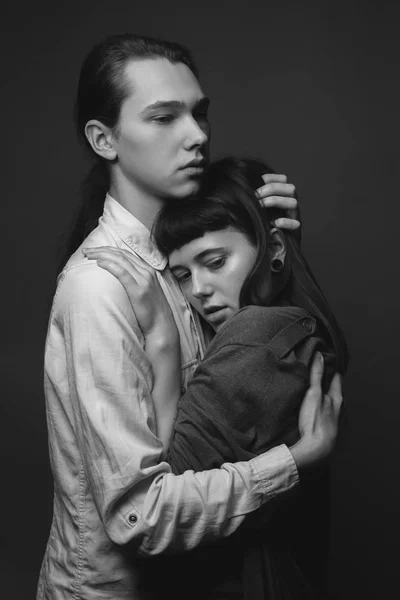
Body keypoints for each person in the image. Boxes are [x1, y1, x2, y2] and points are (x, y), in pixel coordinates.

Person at [38, 33, 343, 600]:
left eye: (199, 113)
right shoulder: (100, 287)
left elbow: (257, 382)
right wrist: (294, 463)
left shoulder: (185, 260)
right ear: (105, 139)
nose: (197, 135)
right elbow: (139, 517)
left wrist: (277, 251)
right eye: (164, 117)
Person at [85, 156, 347, 599]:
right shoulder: (297, 327)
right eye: (183, 274)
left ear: (275, 249)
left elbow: (161, 502)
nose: (199, 290)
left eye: (215, 261)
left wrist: (163, 340)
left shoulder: (253, 339)